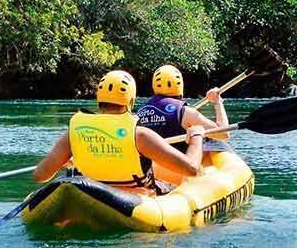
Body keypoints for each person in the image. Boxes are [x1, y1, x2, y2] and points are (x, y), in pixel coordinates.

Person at [32, 70, 205, 195]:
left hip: (87, 192)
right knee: (175, 188)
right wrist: (196, 136)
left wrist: (72, 159)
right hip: (135, 196)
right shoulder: (141, 135)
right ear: (131, 100)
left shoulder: (73, 132)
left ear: (99, 98)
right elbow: (191, 169)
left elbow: (40, 175)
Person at [135, 65, 230, 151]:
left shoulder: (139, 112)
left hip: (147, 167)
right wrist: (217, 103)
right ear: (180, 85)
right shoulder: (186, 112)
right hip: (176, 167)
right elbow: (223, 134)